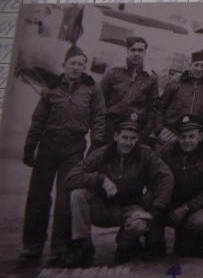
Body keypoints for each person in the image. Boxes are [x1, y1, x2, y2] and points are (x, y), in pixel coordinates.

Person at [18, 45, 105, 268]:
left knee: (65, 199)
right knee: (38, 197)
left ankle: (60, 248)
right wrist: (30, 146)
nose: (76, 67)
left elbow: (98, 118)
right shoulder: (52, 88)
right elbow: (38, 120)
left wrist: (95, 146)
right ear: (64, 65)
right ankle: (32, 246)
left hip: (74, 148)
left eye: (80, 64)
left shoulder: (91, 88)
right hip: (48, 146)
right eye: (72, 63)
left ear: (85, 67)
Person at [63, 112, 173, 267]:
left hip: (129, 208)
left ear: (138, 139)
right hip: (101, 208)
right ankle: (83, 247)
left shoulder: (145, 154)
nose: (128, 143)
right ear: (116, 136)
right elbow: (70, 178)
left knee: (140, 224)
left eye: (133, 138)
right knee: (78, 194)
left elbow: (167, 177)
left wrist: (156, 209)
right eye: (125, 137)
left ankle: (125, 246)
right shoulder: (101, 154)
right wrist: (100, 179)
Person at [150, 113, 203, 258]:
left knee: (200, 223)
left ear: (201, 136)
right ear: (177, 136)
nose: (187, 141)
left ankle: (195, 238)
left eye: (191, 136)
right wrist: (166, 203)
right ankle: (155, 244)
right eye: (183, 136)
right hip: (171, 203)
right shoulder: (166, 153)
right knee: (149, 199)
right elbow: (157, 180)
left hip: (195, 206)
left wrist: (186, 207)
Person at [99, 36, 158, 140]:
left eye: (140, 50)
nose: (136, 54)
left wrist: (145, 131)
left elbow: (153, 107)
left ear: (145, 53)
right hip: (109, 126)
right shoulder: (114, 72)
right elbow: (99, 100)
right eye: (133, 50)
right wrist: (99, 127)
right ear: (127, 50)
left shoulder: (151, 77)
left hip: (133, 127)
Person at [155, 49, 203, 145]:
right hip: (170, 134)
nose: (199, 68)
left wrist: (201, 135)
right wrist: (159, 129)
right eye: (196, 65)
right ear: (190, 66)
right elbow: (160, 108)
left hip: (192, 138)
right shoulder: (176, 83)